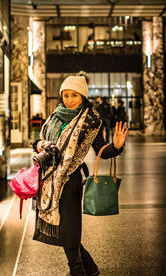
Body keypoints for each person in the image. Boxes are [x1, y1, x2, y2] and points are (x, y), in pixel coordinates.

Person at [32, 72, 128, 276]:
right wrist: (38, 144)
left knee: (69, 228)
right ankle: (89, 267)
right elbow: (39, 142)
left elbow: (102, 150)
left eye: (74, 95)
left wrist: (117, 147)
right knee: (64, 228)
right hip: (49, 180)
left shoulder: (90, 121)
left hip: (71, 180)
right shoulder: (54, 116)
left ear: (83, 96)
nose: (69, 100)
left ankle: (77, 271)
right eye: (65, 95)